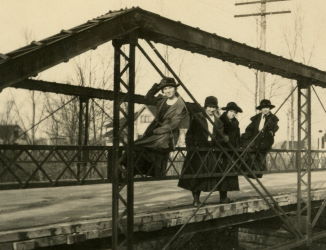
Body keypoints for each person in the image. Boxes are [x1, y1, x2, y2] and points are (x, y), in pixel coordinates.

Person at [124, 77, 189, 177]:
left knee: (143, 147)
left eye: (170, 88)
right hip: (155, 131)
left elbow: (174, 124)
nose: (168, 91)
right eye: (165, 89)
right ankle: (134, 171)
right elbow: (148, 98)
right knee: (136, 146)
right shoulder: (162, 100)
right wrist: (157, 87)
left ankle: (141, 172)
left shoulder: (180, 105)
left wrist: (157, 131)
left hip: (168, 135)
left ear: (175, 89)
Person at [178, 96, 229, 207]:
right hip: (199, 150)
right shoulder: (197, 118)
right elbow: (190, 135)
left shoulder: (218, 122)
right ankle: (196, 199)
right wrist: (191, 148)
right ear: (205, 107)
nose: (211, 110)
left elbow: (220, 136)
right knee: (197, 174)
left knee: (219, 172)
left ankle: (223, 197)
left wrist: (223, 138)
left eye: (213, 107)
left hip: (212, 150)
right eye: (209, 107)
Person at [241, 99, 279, 178]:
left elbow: (274, 127)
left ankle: (258, 172)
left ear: (269, 109)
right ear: (261, 109)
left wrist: (271, 129)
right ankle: (249, 171)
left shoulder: (273, 118)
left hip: (265, 140)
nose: (265, 109)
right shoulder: (256, 118)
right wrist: (244, 136)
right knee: (248, 149)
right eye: (263, 108)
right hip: (255, 139)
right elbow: (249, 129)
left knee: (260, 153)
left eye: (267, 107)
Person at [219, 102, 242, 203]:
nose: (233, 113)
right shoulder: (220, 120)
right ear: (227, 111)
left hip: (232, 151)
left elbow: (237, 136)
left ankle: (224, 197)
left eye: (235, 112)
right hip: (222, 151)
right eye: (231, 111)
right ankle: (222, 197)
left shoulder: (235, 122)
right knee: (221, 173)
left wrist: (238, 147)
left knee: (229, 174)